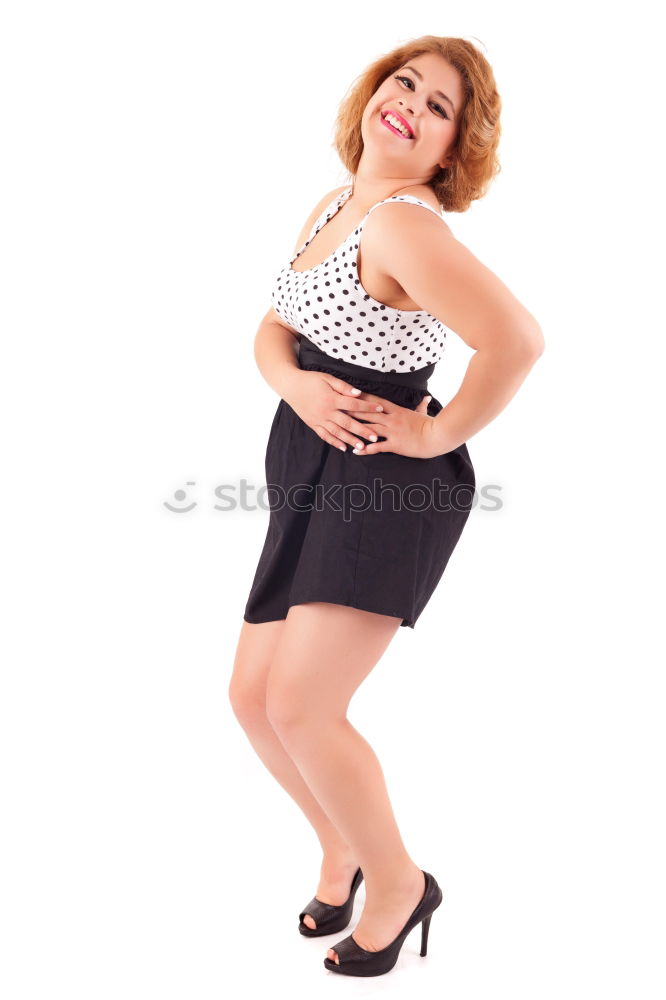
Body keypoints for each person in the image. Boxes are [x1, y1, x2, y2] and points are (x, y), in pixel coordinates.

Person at [229, 35, 544, 977]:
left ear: (450, 150)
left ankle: (401, 883)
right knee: (252, 699)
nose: (407, 101)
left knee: (303, 705)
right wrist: (296, 387)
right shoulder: (335, 203)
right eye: (403, 81)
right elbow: (271, 329)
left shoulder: (406, 226)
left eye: (438, 105)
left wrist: (435, 435)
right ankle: (342, 849)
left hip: (382, 475)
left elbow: (517, 341)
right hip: (311, 456)